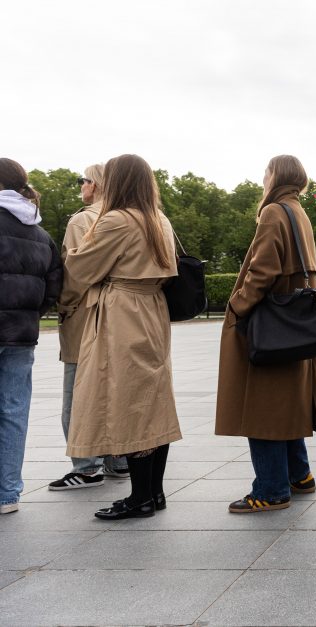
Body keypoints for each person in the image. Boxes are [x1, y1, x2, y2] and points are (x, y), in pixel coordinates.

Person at [59, 154, 181, 520]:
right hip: (152, 308)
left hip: (123, 310)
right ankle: (154, 492)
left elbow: (80, 267)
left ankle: (140, 496)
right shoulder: (159, 218)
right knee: (153, 399)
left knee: (129, 401)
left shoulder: (117, 220)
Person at [215, 155, 316, 513]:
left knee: (262, 406)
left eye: (266, 172)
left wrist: (238, 307)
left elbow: (263, 269)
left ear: (276, 175)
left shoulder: (275, 211)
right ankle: (298, 474)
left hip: (271, 324)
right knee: (284, 401)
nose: (263, 178)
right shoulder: (298, 210)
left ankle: (272, 488)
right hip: (294, 323)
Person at [48, 164, 130, 491]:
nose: (81, 185)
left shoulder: (82, 220)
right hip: (120, 317)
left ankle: (86, 466)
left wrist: (64, 306)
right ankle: (118, 459)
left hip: (84, 316)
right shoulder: (131, 217)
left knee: (78, 393)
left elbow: (74, 273)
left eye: (84, 180)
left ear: (95, 185)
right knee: (113, 390)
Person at [0, 158, 62, 514]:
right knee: (13, 411)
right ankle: (8, 493)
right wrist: (28, 315)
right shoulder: (41, 234)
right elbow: (53, 289)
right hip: (22, 335)